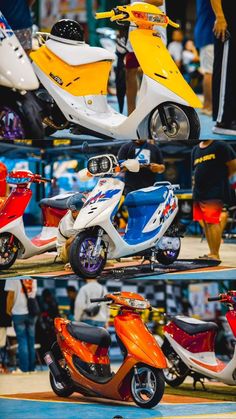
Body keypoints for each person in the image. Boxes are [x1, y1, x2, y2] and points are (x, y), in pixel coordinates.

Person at [192, 140, 236, 262]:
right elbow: (195, 171)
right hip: (199, 192)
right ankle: (211, 252)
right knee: (204, 222)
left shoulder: (220, 146)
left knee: (212, 222)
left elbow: (233, 165)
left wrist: (220, 179)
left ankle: (215, 254)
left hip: (214, 190)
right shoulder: (195, 149)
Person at [125, 0, 164, 115]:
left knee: (153, 75)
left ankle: (153, 114)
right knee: (130, 71)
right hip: (135, 28)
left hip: (153, 30)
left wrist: (133, 5)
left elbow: (159, 1)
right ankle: (131, 115)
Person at [210, 0, 236, 135]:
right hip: (228, 18)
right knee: (226, 69)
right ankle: (223, 120)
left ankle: (232, 118)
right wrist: (220, 16)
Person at [5, 279, 38, 372]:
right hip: (32, 312)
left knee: (22, 340)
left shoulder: (11, 277)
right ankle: (32, 368)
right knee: (31, 341)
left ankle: (24, 368)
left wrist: (8, 309)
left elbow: (10, 295)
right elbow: (34, 293)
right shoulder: (32, 276)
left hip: (18, 312)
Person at [194, 0, 215, 116]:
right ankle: (209, 105)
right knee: (209, 72)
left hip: (204, 32)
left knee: (207, 71)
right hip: (208, 33)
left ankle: (207, 105)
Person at [56, 193, 83, 264]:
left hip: (78, 245)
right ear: (74, 212)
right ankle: (73, 262)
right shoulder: (68, 227)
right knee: (77, 239)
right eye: (82, 210)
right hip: (64, 251)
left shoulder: (76, 212)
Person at [0, 280, 12, 373]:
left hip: (3, 319)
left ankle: (2, 365)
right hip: (3, 318)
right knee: (2, 344)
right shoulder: (6, 283)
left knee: (2, 344)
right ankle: (2, 365)